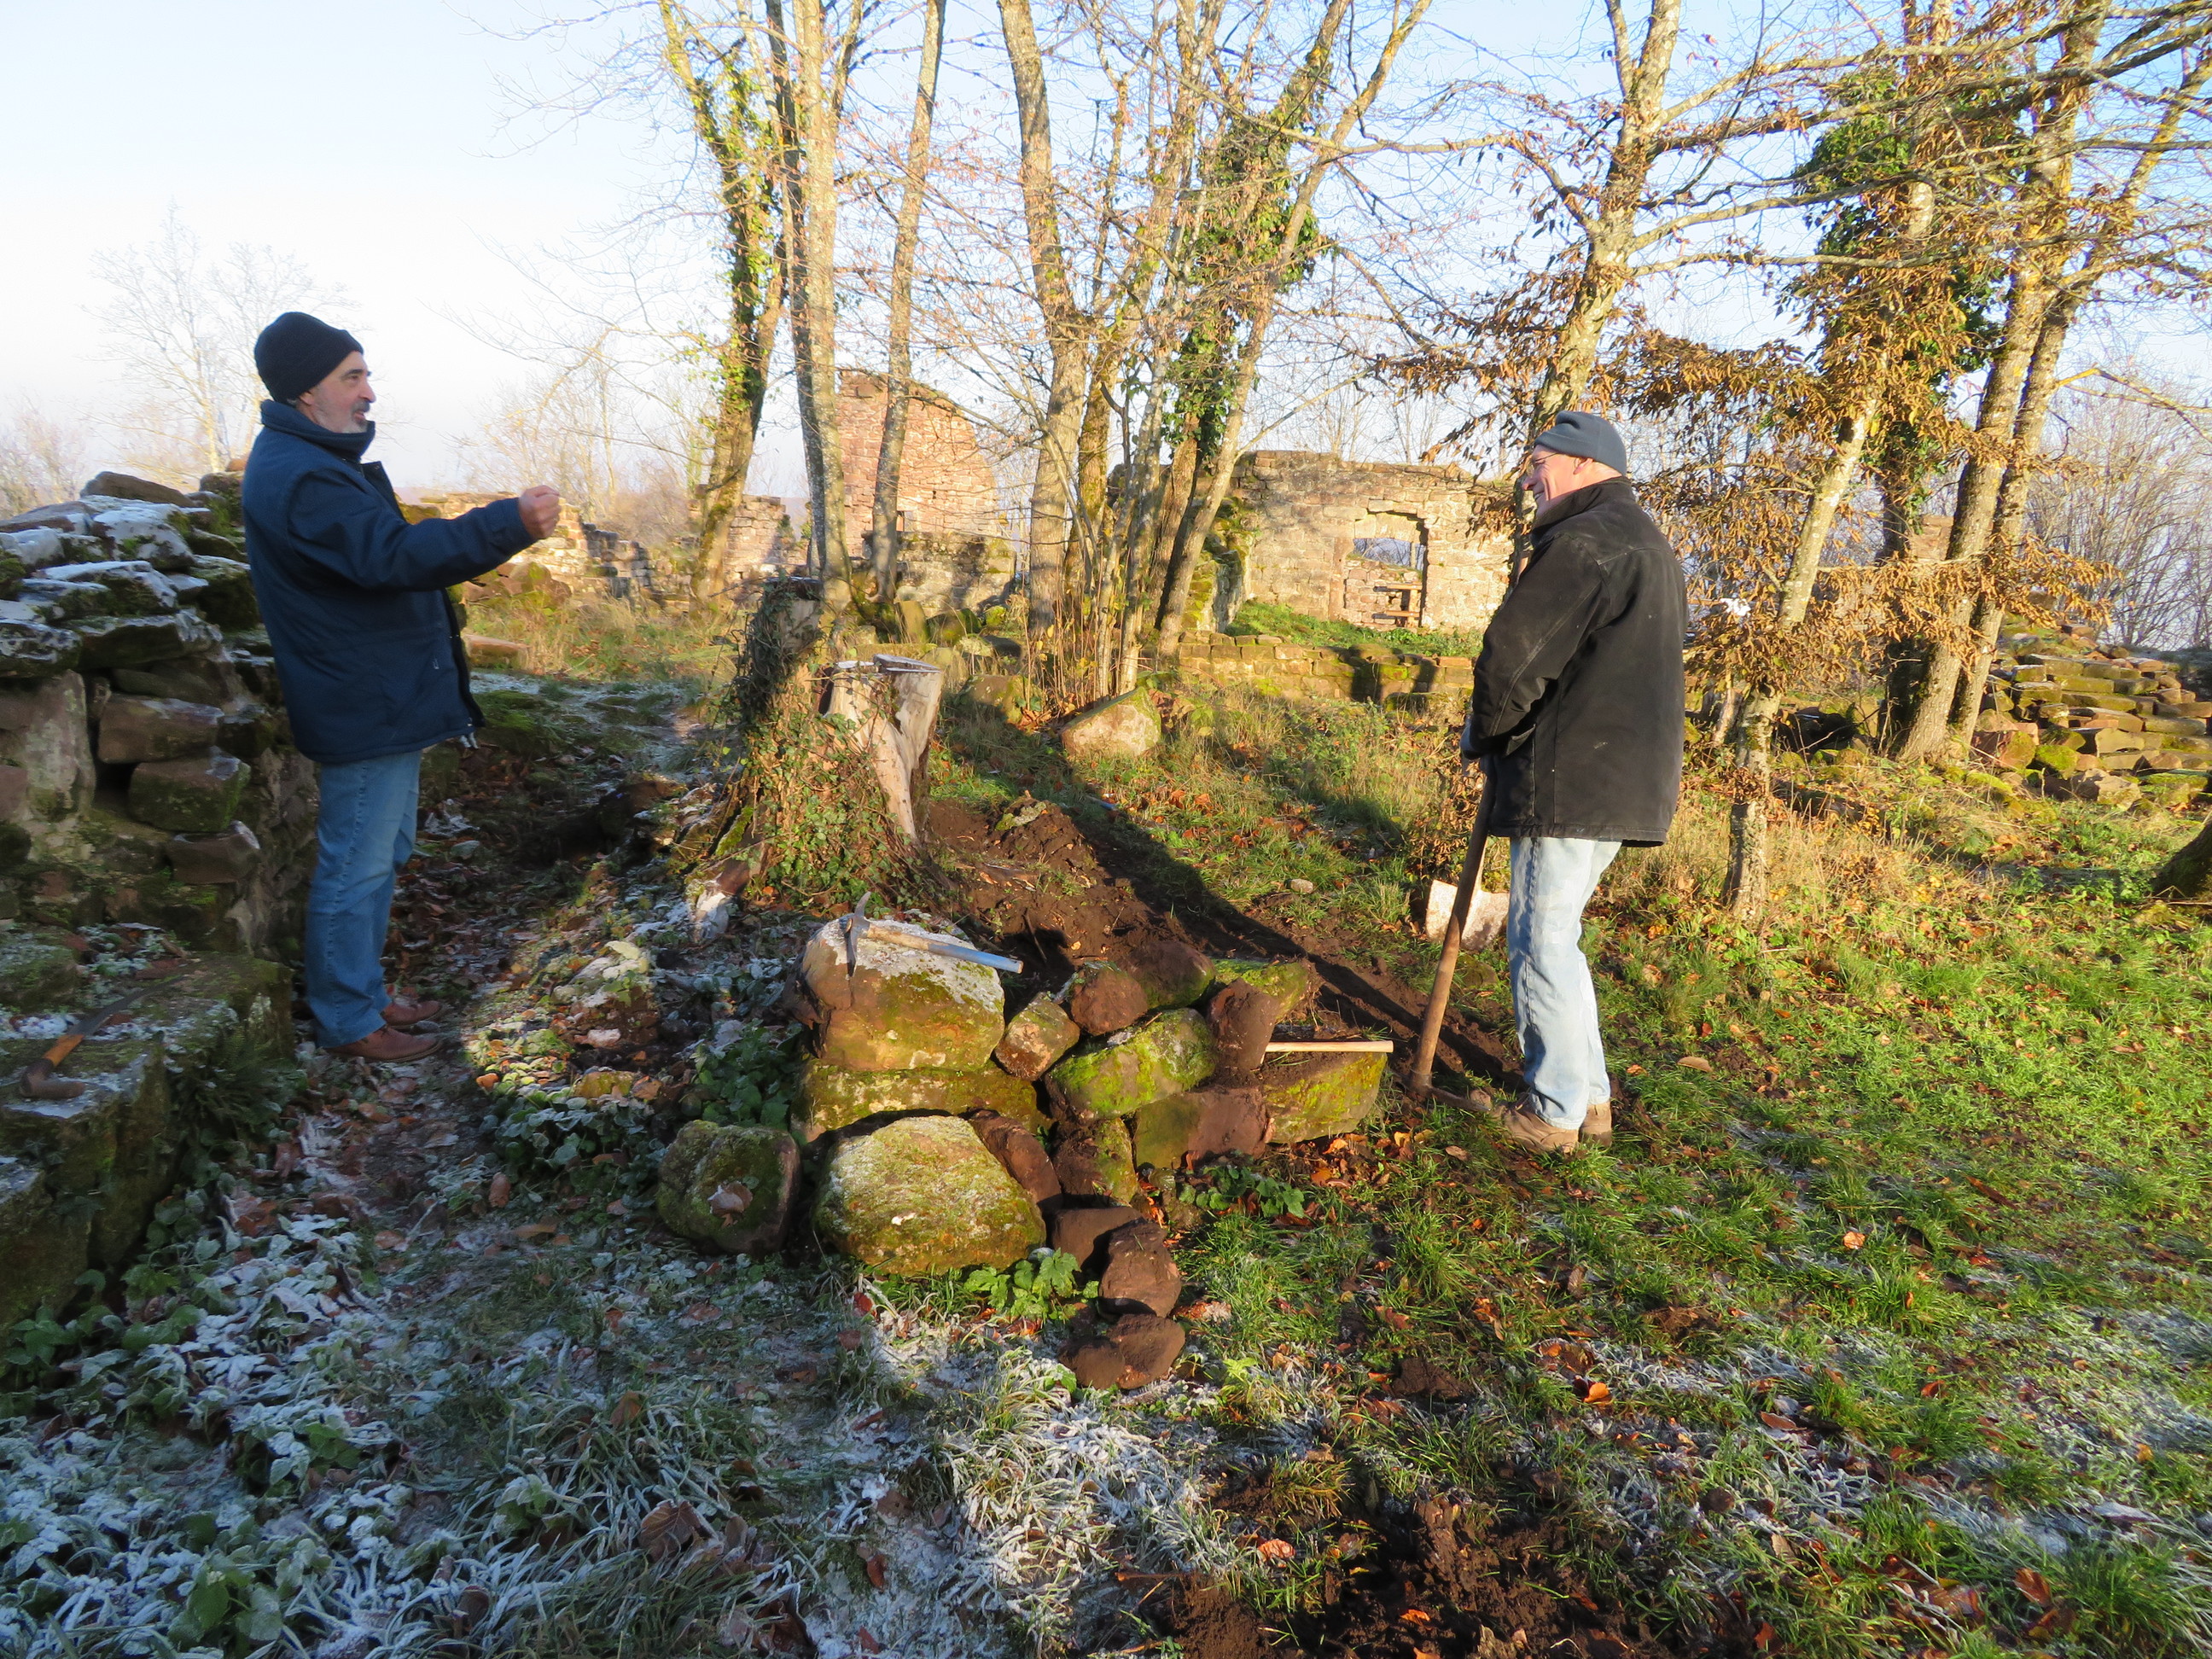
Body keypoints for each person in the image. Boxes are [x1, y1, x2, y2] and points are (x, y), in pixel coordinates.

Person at [241, 311, 559, 1062]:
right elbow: (395, 557)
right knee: (356, 865)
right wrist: (507, 523)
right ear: (305, 391)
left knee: (376, 856)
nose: (369, 392)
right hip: (362, 701)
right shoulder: (303, 476)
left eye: (365, 375)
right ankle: (349, 1019)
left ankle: (363, 993)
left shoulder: (312, 462)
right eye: (352, 377)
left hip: (376, 695)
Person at [1460, 410, 1685, 1151]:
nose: (1529, 478)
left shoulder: (1585, 541)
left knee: (1540, 943)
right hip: (1623, 778)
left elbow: (1514, 657)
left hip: (1572, 777)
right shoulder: (1645, 541)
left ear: (1584, 464)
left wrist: (1490, 735)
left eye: (1539, 462)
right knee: (1561, 939)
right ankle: (1589, 1101)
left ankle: (1552, 1112)